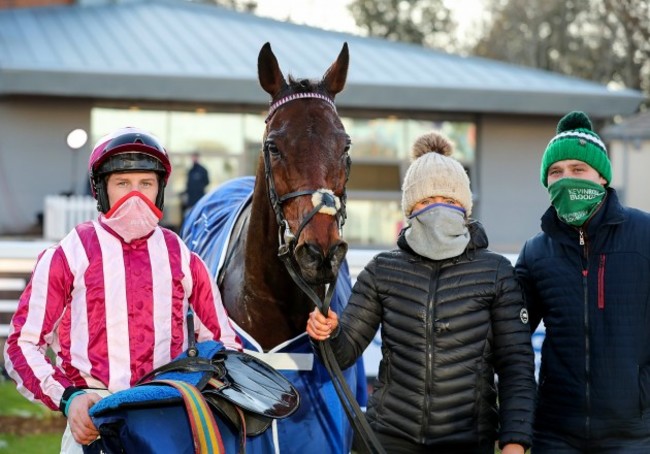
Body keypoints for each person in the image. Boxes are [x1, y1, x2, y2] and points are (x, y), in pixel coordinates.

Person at [3, 127, 241, 453]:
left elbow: (224, 344)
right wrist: (68, 398)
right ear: (101, 189)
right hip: (93, 416)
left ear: (159, 190)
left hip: (167, 417)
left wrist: (201, 387)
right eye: (122, 184)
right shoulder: (69, 254)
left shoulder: (182, 257)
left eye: (146, 183)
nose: (135, 195)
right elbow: (21, 345)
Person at [307, 131, 536, 454]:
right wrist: (327, 333)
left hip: (468, 440)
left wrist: (514, 442)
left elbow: (516, 365)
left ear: (465, 208)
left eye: (450, 201)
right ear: (409, 210)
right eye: (426, 201)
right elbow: (345, 350)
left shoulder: (496, 272)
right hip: (389, 439)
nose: (438, 209)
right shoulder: (382, 269)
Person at [516, 111, 650, 453]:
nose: (566, 179)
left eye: (578, 170)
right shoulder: (535, 252)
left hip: (634, 433)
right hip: (556, 433)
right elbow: (509, 336)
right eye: (556, 172)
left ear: (601, 177)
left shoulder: (644, 236)